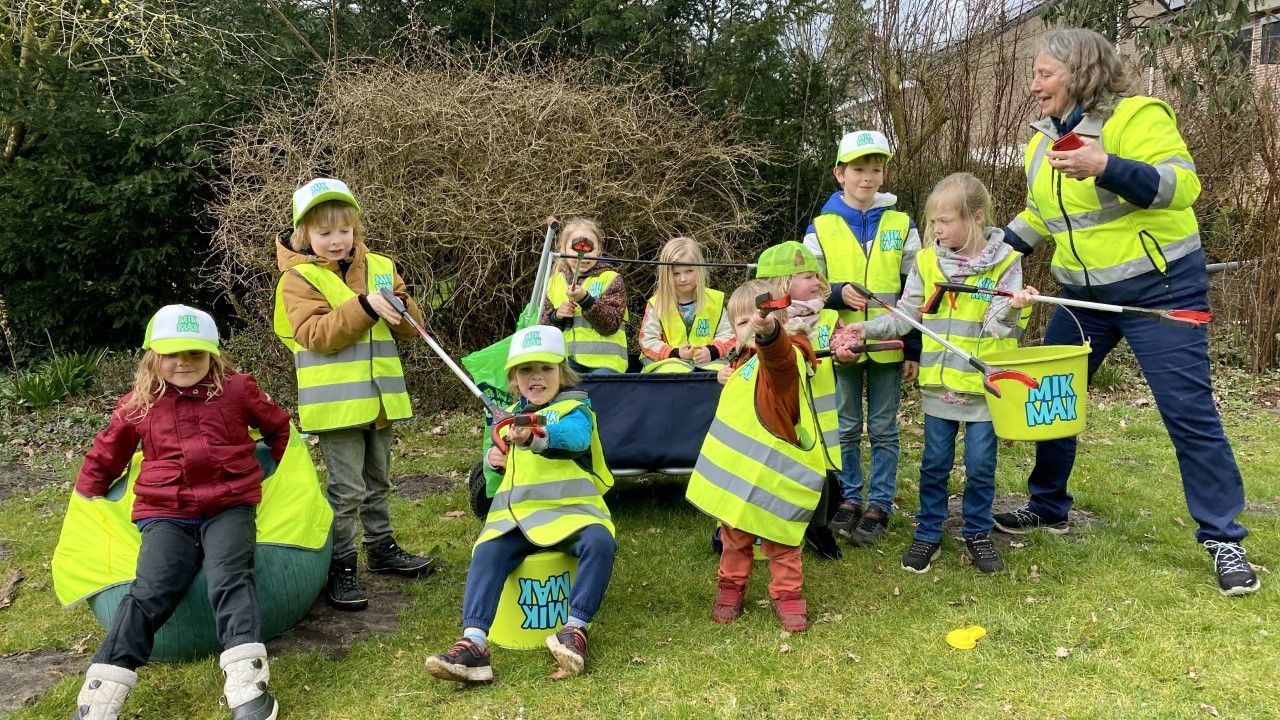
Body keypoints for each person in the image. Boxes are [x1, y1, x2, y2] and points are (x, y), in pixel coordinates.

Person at [994, 27, 1259, 595]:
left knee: (1187, 411)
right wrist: (993, 255)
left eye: (1044, 73)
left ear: (1080, 72)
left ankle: (1223, 539)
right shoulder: (1040, 140)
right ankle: (1048, 505)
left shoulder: (1138, 116)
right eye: (1034, 74)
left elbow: (1182, 185)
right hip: (1082, 297)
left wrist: (1106, 165)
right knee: (1050, 398)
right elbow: (1044, 214)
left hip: (1160, 291)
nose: (1033, 85)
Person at [70, 305, 290, 720]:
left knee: (229, 576)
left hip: (229, 505)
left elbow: (279, 428)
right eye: (172, 354)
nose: (183, 363)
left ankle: (248, 686)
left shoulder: (238, 389)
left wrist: (286, 474)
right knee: (151, 589)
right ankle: (102, 695)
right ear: (153, 356)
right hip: (165, 511)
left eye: (194, 354)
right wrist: (86, 500)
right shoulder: (138, 403)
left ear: (213, 355)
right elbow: (106, 455)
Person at [846, 173, 1034, 574]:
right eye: (933, 221)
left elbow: (1003, 328)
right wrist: (867, 328)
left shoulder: (1006, 264)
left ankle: (978, 532)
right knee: (934, 464)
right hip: (940, 386)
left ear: (976, 218)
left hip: (986, 388)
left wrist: (1015, 306)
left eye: (945, 221)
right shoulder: (928, 261)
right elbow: (907, 314)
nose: (936, 229)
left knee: (981, 465)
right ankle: (928, 533)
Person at [275, 177, 437, 612]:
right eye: (324, 232)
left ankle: (381, 549)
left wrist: (400, 310)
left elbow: (410, 329)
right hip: (337, 406)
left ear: (356, 230)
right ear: (303, 234)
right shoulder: (297, 279)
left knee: (379, 481)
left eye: (343, 230)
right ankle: (341, 565)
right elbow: (314, 335)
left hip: (381, 399)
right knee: (346, 491)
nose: (336, 240)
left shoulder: (382, 265)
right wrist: (365, 307)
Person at [425, 325, 616, 682]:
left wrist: (535, 437)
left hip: (574, 516)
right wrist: (492, 461)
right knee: (488, 551)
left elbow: (573, 439)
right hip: (520, 520)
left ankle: (574, 631)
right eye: (527, 370)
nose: (537, 377)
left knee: (600, 543)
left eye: (546, 368)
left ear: (562, 372)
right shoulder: (507, 418)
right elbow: (495, 485)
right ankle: (474, 644)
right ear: (514, 378)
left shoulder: (575, 409)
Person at [686, 280, 827, 632]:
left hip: (777, 483)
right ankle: (730, 588)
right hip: (740, 483)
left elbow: (777, 358)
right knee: (733, 538)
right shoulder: (742, 363)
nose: (750, 327)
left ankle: (788, 596)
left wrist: (769, 334)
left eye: (758, 319)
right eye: (741, 323)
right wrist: (729, 376)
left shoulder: (784, 356)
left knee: (781, 543)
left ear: (778, 318)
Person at [804, 129, 921, 547]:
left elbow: (916, 289)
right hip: (843, 344)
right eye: (858, 169)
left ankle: (879, 505)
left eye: (876, 169)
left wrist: (915, 347)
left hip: (891, 344)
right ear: (840, 173)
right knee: (848, 425)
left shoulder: (902, 224)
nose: (867, 178)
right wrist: (836, 293)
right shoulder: (820, 226)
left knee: (886, 428)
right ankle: (850, 498)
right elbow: (809, 285)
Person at [540, 217, 629, 374]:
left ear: (598, 251)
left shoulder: (611, 278)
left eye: (590, 249)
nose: (584, 255)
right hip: (567, 362)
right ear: (564, 250)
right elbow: (544, 332)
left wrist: (586, 300)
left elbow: (611, 325)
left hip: (606, 363)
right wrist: (556, 316)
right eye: (576, 248)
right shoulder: (554, 282)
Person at [638, 236, 734, 373]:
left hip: (709, 365)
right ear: (666, 275)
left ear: (699, 269)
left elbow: (729, 335)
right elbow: (647, 341)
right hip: (669, 367)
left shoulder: (715, 300)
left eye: (689, 271)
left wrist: (712, 351)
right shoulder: (657, 304)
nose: (683, 279)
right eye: (676, 273)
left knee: (723, 373)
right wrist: (675, 353)